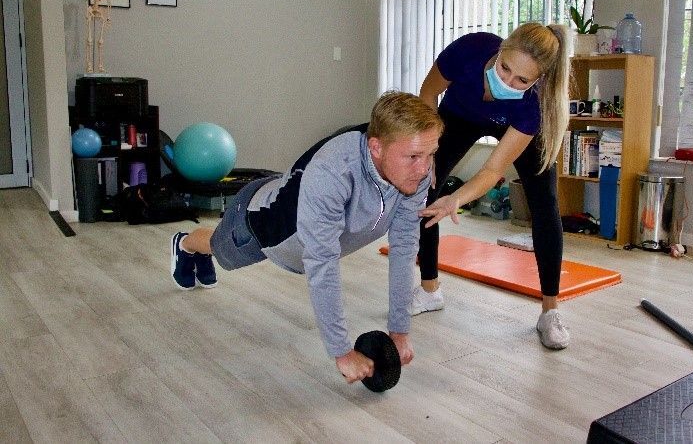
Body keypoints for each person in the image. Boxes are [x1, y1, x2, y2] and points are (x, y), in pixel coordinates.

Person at [169, 91, 443, 383]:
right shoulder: (335, 171)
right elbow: (322, 259)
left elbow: (403, 248)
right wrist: (341, 351)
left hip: (305, 224)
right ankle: (185, 243)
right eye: (414, 156)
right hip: (260, 227)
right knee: (219, 250)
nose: (424, 168)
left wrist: (400, 329)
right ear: (376, 147)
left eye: (430, 154)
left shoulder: (414, 175)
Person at [412, 22, 572, 350]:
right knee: (424, 186)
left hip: (512, 124)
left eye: (522, 80)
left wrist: (456, 199)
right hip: (459, 115)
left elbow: (492, 170)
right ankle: (429, 290)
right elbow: (428, 92)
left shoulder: (531, 106)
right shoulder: (468, 51)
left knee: (544, 202)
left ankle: (549, 312)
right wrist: (429, 151)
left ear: (537, 81)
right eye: (505, 68)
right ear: (499, 51)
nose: (507, 81)